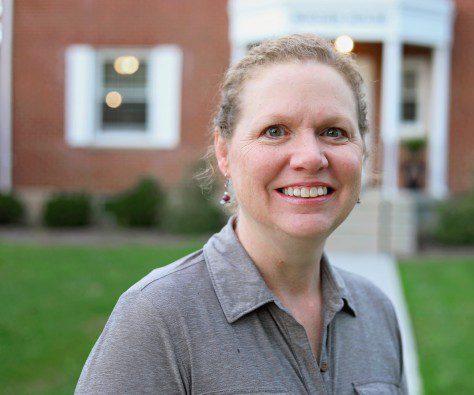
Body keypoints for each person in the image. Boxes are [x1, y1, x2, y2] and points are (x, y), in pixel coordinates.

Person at [76, 34, 407, 394]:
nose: (311, 157)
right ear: (224, 152)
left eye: (334, 132)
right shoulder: (158, 318)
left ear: (362, 151)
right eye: (275, 131)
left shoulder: (376, 313)